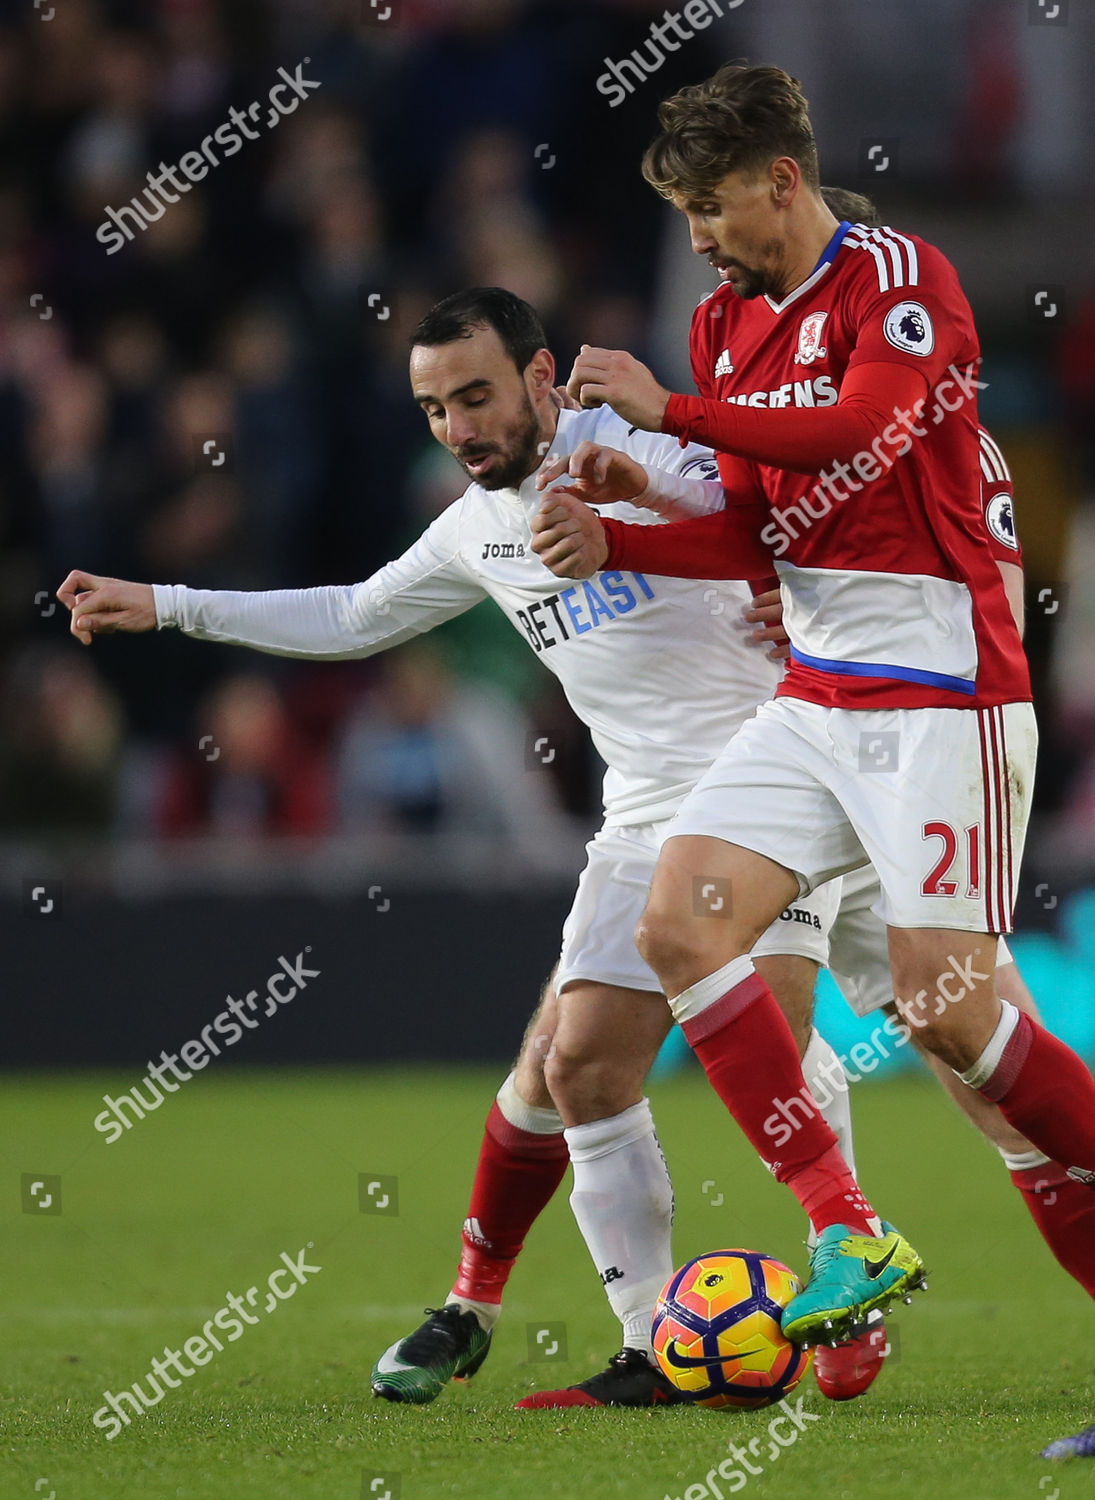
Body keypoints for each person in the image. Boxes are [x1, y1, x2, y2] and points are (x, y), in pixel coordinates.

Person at [56, 286, 870, 1408]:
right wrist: (169, 604)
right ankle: (652, 1346)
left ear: (542, 379)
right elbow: (350, 617)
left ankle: (855, 1283)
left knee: (779, 1036)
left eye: (477, 397)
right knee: (576, 1064)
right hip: (642, 816)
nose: (458, 429)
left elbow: (784, 514)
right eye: (435, 409)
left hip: (770, 782)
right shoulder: (474, 527)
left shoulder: (639, 444)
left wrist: (799, 598)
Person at [531, 61, 1095, 1347]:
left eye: (712, 208)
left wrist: (668, 412)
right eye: (682, 217)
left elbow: (863, 431)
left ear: (782, 180)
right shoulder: (726, 327)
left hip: (940, 691)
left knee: (949, 1014)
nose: (700, 240)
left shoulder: (900, 279)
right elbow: (755, 523)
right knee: (680, 924)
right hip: (818, 693)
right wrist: (624, 532)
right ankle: (846, 1225)